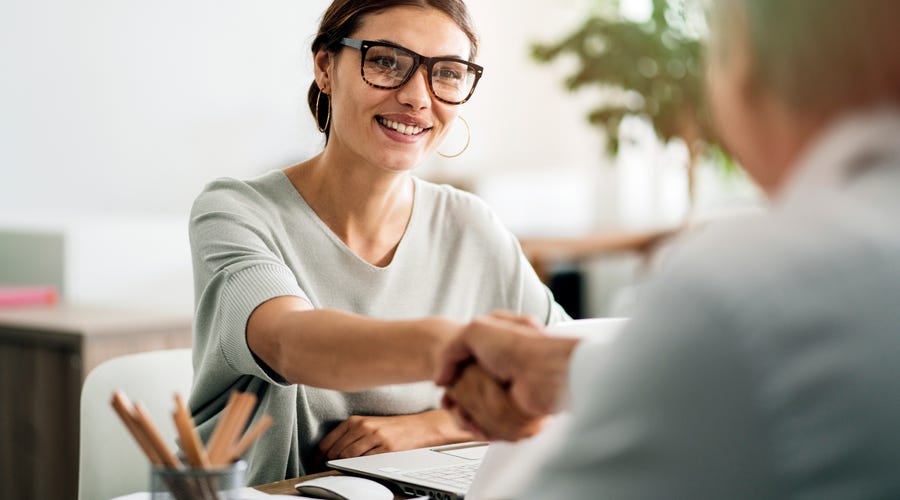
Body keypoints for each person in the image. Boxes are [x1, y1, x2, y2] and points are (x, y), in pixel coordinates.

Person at [437, 0, 900, 498]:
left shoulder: (738, 286)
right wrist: (572, 370)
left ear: (742, 64)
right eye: (385, 62)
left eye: (447, 72)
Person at [187, 0, 569, 485]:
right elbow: (290, 342)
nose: (417, 96)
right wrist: (456, 347)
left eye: (447, 73)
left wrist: (435, 426)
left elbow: (564, 380)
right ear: (326, 67)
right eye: (386, 61)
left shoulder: (470, 224)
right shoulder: (237, 210)